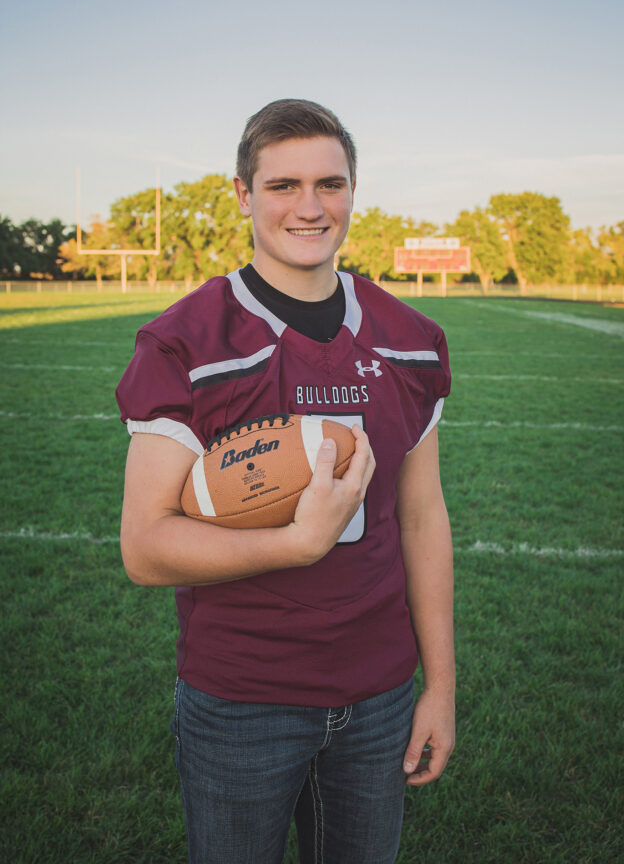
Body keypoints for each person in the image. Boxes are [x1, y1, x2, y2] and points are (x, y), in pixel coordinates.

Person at [116, 98, 455, 864]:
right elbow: (144, 547)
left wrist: (438, 687)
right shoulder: (184, 341)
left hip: (378, 693)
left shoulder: (411, 341)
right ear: (242, 194)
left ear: (353, 190)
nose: (309, 207)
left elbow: (422, 519)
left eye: (329, 184)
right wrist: (295, 544)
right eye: (282, 186)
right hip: (242, 696)